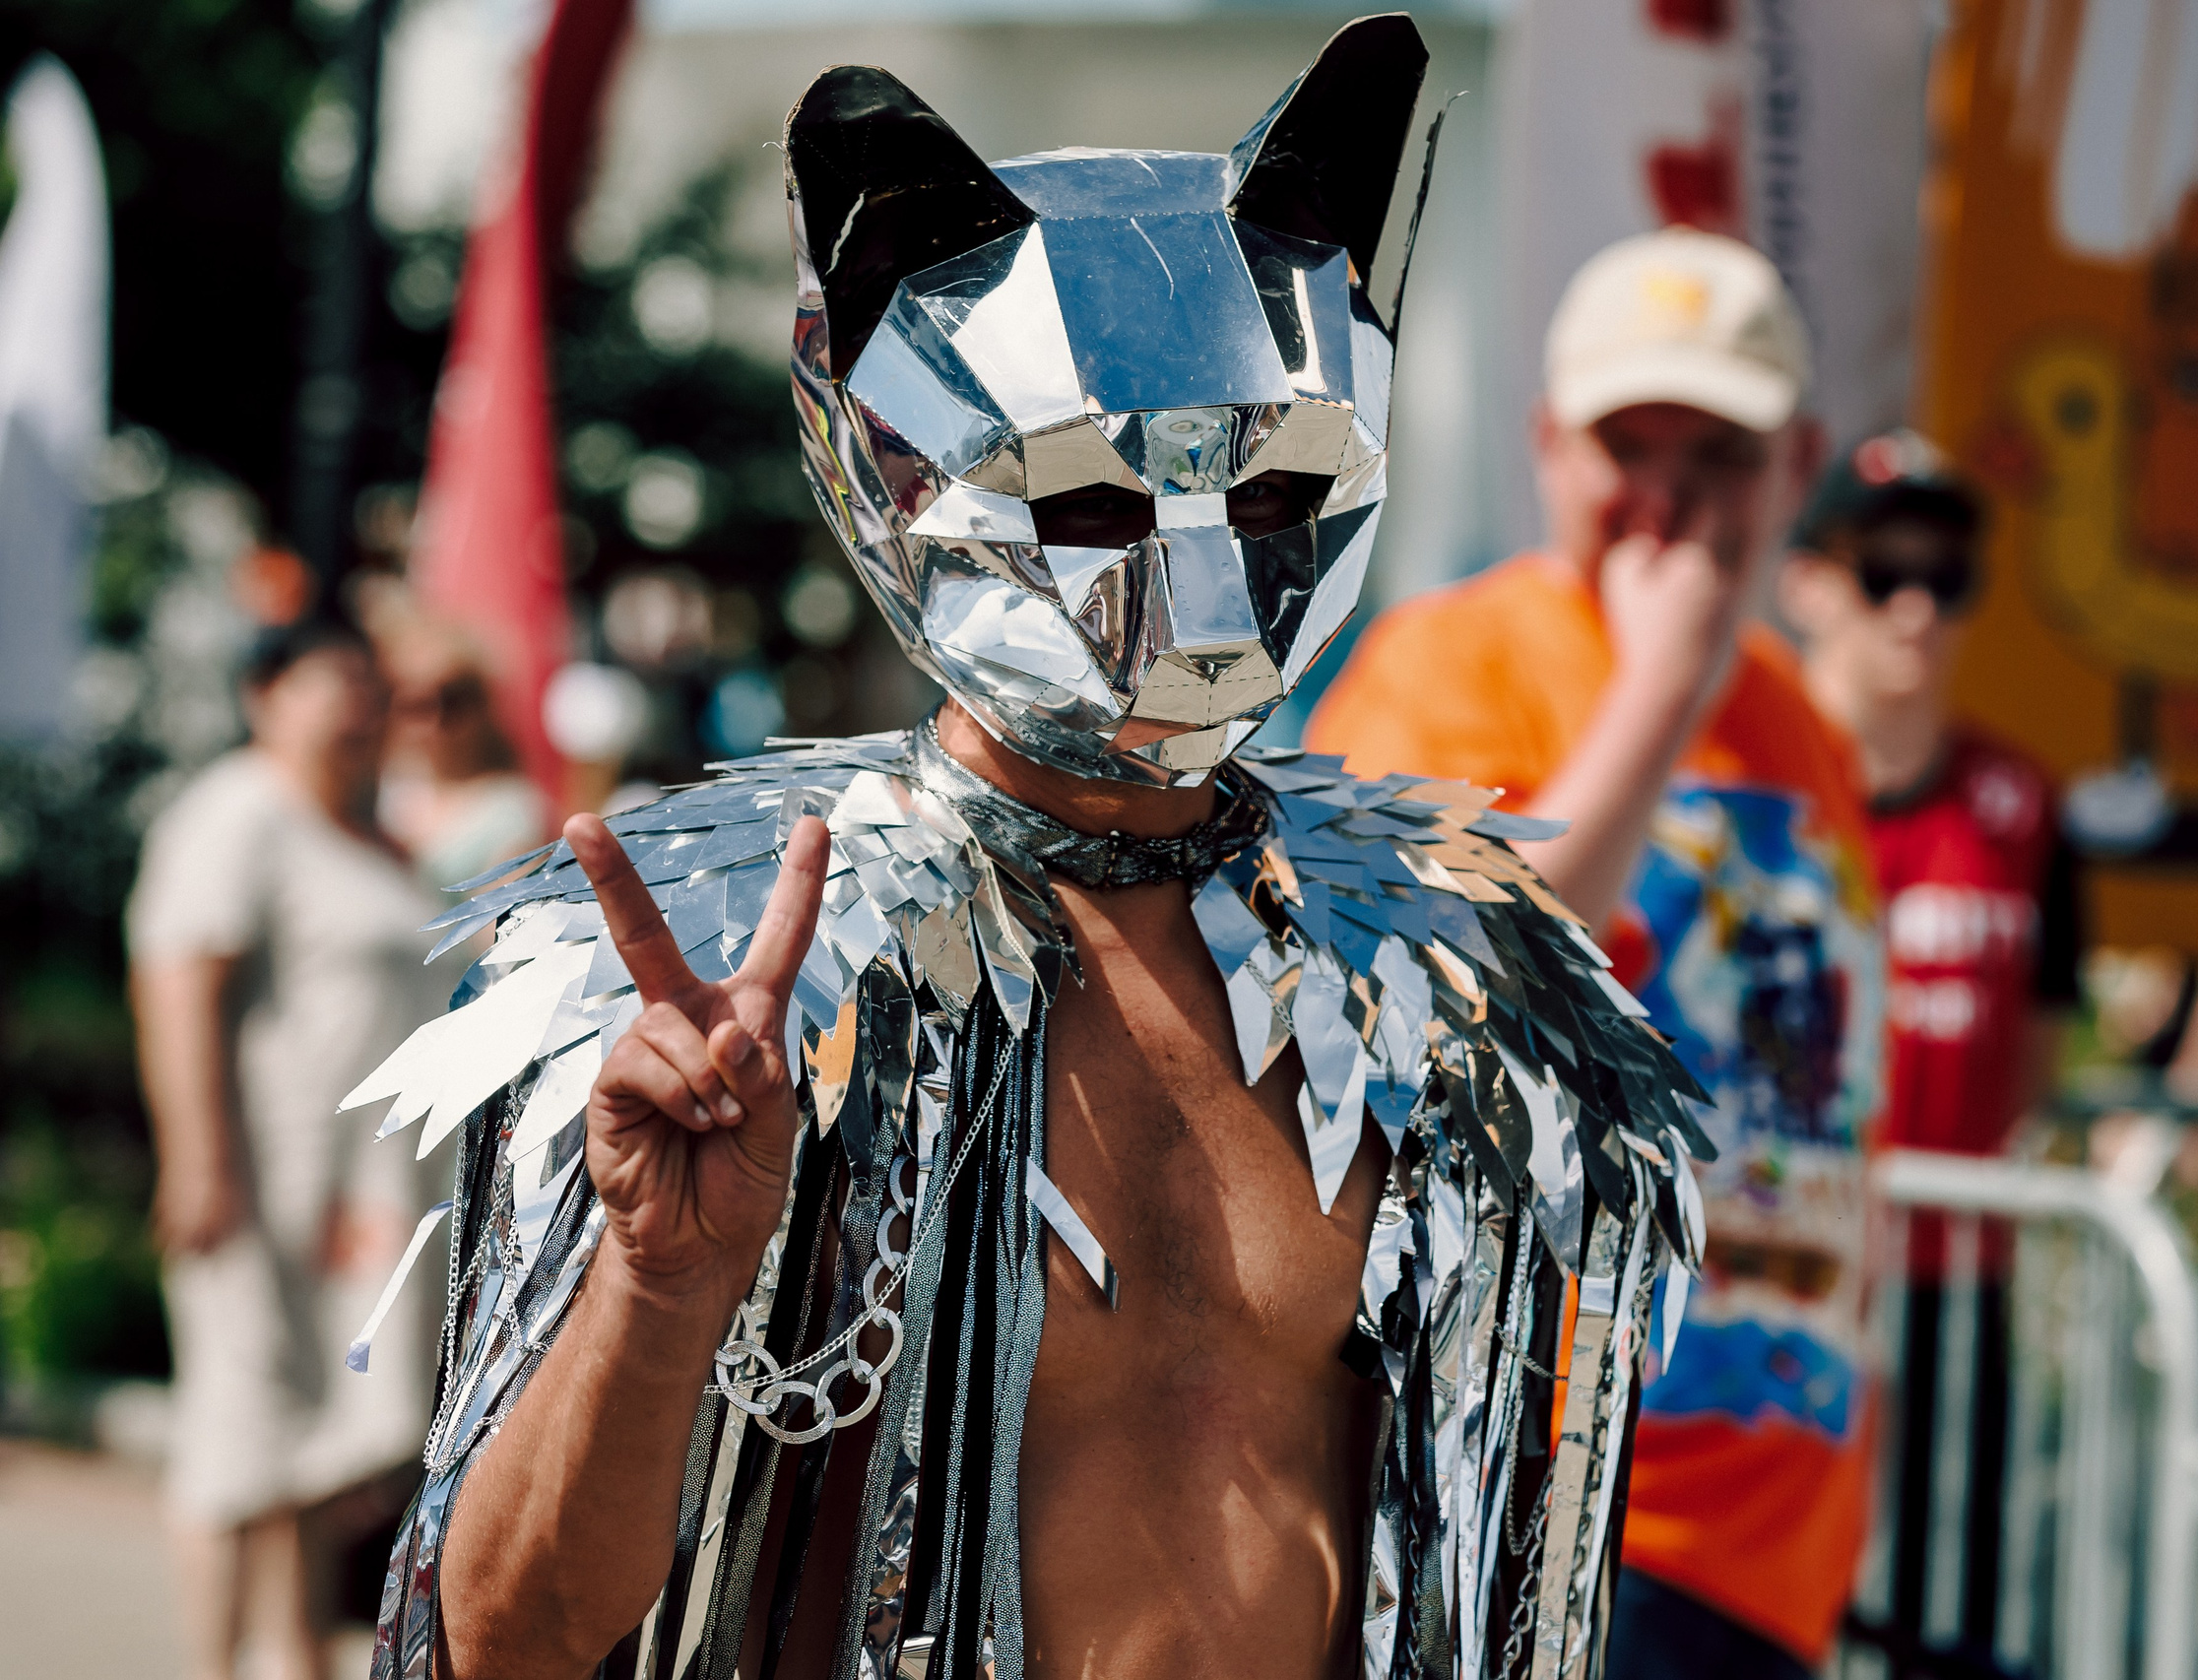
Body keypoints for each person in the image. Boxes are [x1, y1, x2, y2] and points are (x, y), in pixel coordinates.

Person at [351, 23, 1707, 1680]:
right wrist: (658, 1280)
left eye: (1271, 497)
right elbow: (506, 1639)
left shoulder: (1436, 990)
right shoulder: (728, 967)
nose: (1201, 593)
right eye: (1090, 505)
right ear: (893, 469)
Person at [1310, 228, 1883, 1680]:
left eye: (1725, 453)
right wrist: (1657, 691)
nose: (1671, 500)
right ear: (1550, 442)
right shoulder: (1450, 664)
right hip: (1528, 1489)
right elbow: (1456, 973)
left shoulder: (1805, 725)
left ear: (1798, 458)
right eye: (1633, 442)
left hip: (1772, 1524)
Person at [1774, 431, 2083, 1665]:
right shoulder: (1745, 789)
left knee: (1945, 1626)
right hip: (1777, 1286)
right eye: (1882, 569)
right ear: (1806, 582)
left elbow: (2042, 1046)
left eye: (1946, 575)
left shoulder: (2022, 806)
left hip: (1957, 1294)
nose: (1915, 605)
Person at [128, 617, 443, 1680]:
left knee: (314, 1441)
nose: (360, 701)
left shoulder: (368, 833)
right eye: (333, 679)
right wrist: (197, 1157)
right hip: (262, 1178)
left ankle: (297, 1651)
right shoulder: (236, 812)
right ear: (266, 694)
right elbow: (177, 979)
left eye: (371, 679)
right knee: (236, 1428)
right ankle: (212, 1662)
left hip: (359, 1197)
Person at [375, 619, 547, 890]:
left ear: (483, 704)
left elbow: (499, 921)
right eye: (416, 704)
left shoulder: (511, 810)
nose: (435, 720)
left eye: (453, 699)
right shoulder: (371, 782)